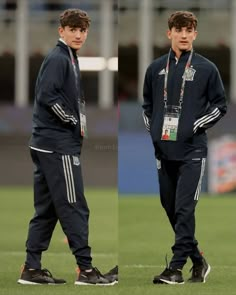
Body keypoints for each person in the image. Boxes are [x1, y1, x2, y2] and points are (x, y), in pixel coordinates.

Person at [17, 8, 116, 286]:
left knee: (47, 210)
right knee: (74, 206)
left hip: (47, 144)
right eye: (73, 29)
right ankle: (86, 270)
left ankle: (31, 269)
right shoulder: (59, 58)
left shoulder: (68, 57)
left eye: (82, 30)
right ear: (61, 31)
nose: (78, 34)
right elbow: (47, 95)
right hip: (58, 145)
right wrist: (72, 120)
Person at [142, 11, 227, 285]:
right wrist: (154, 129)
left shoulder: (206, 68)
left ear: (195, 34)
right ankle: (198, 261)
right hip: (164, 151)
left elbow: (220, 106)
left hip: (193, 151)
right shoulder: (155, 69)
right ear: (169, 33)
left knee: (184, 209)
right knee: (170, 208)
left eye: (189, 30)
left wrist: (195, 125)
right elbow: (147, 106)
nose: (184, 35)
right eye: (179, 30)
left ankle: (176, 268)